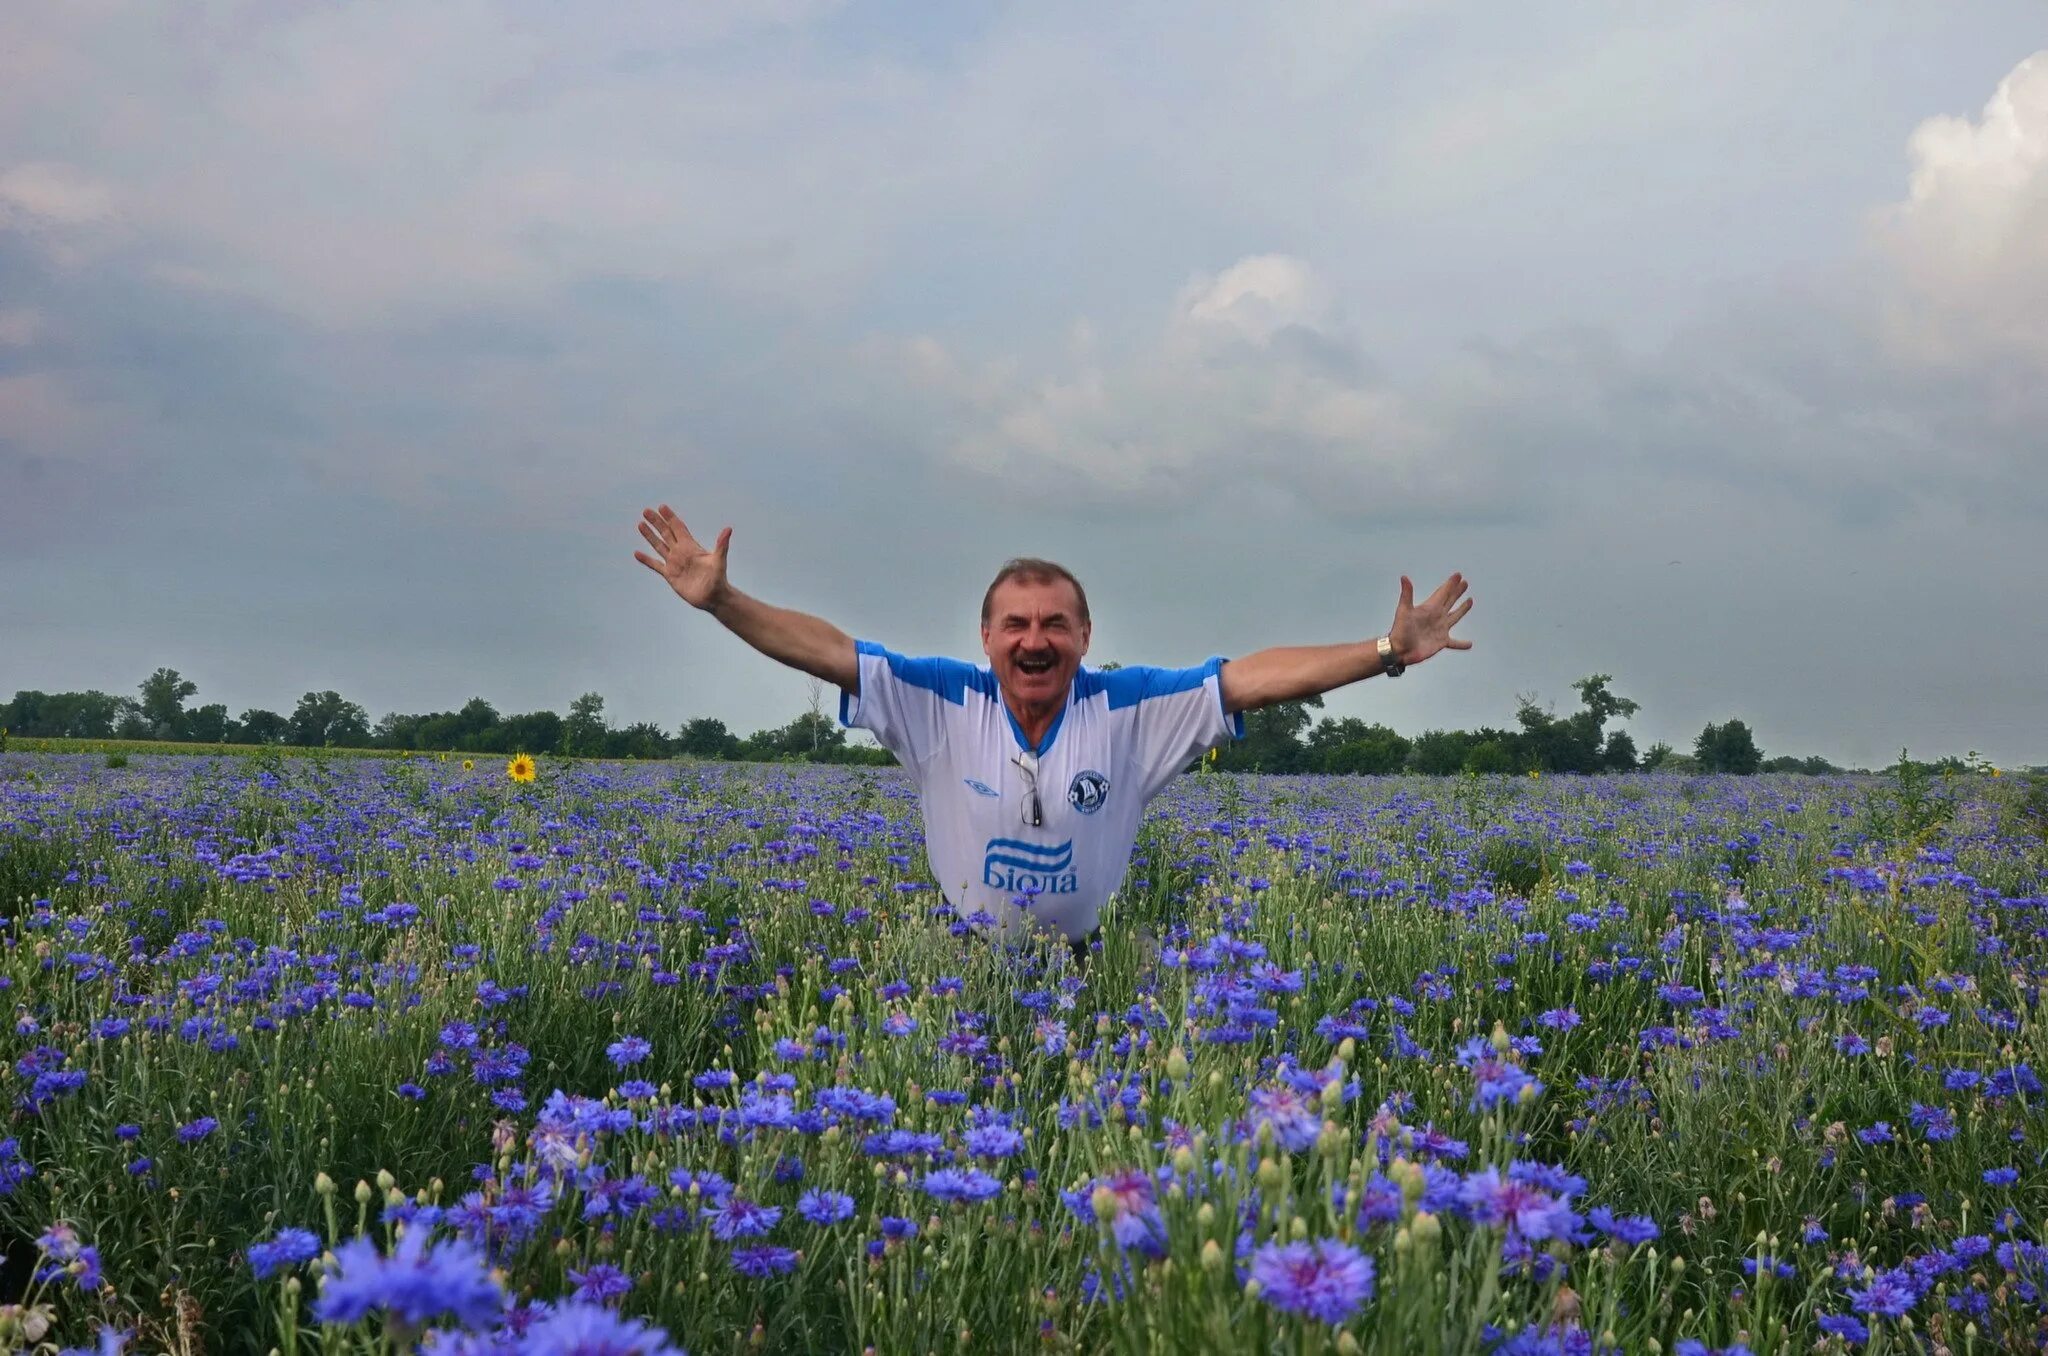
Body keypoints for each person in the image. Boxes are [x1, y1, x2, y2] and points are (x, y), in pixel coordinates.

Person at [634, 504, 1473, 963]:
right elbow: (828, 652)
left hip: (1092, 966)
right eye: (1017, 625)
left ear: (1085, 636)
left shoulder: (1131, 710)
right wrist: (723, 603)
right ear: (987, 637)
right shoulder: (940, 701)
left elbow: (1251, 677)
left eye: (1055, 625)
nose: (1035, 640)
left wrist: (1384, 652)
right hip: (960, 969)